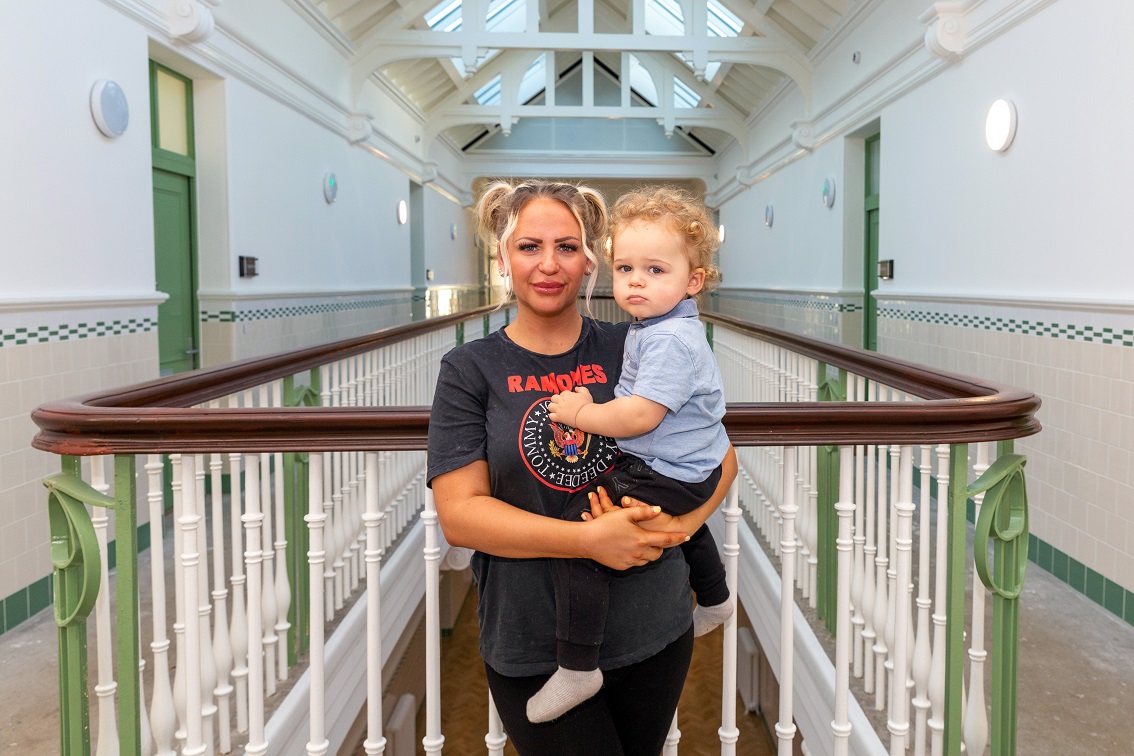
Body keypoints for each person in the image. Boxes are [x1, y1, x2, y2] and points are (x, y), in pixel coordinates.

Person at [427, 179, 737, 756]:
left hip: (653, 630)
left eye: (567, 247)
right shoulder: (470, 368)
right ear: (503, 257)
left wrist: (684, 528)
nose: (549, 264)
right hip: (532, 642)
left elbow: (719, 454)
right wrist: (589, 541)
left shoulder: (639, 341)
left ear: (591, 259)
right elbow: (461, 518)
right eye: (529, 246)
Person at [529, 186, 733, 723]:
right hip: (688, 468)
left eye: (655, 270)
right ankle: (715, 596)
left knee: (578, 532)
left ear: (693, 280)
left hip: (671, 468)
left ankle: (578, 665)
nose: (636, 280)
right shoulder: (655, 329)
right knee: (680, 519)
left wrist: (577, 412)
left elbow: (639, 415)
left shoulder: (669, 341)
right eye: (625, 268)